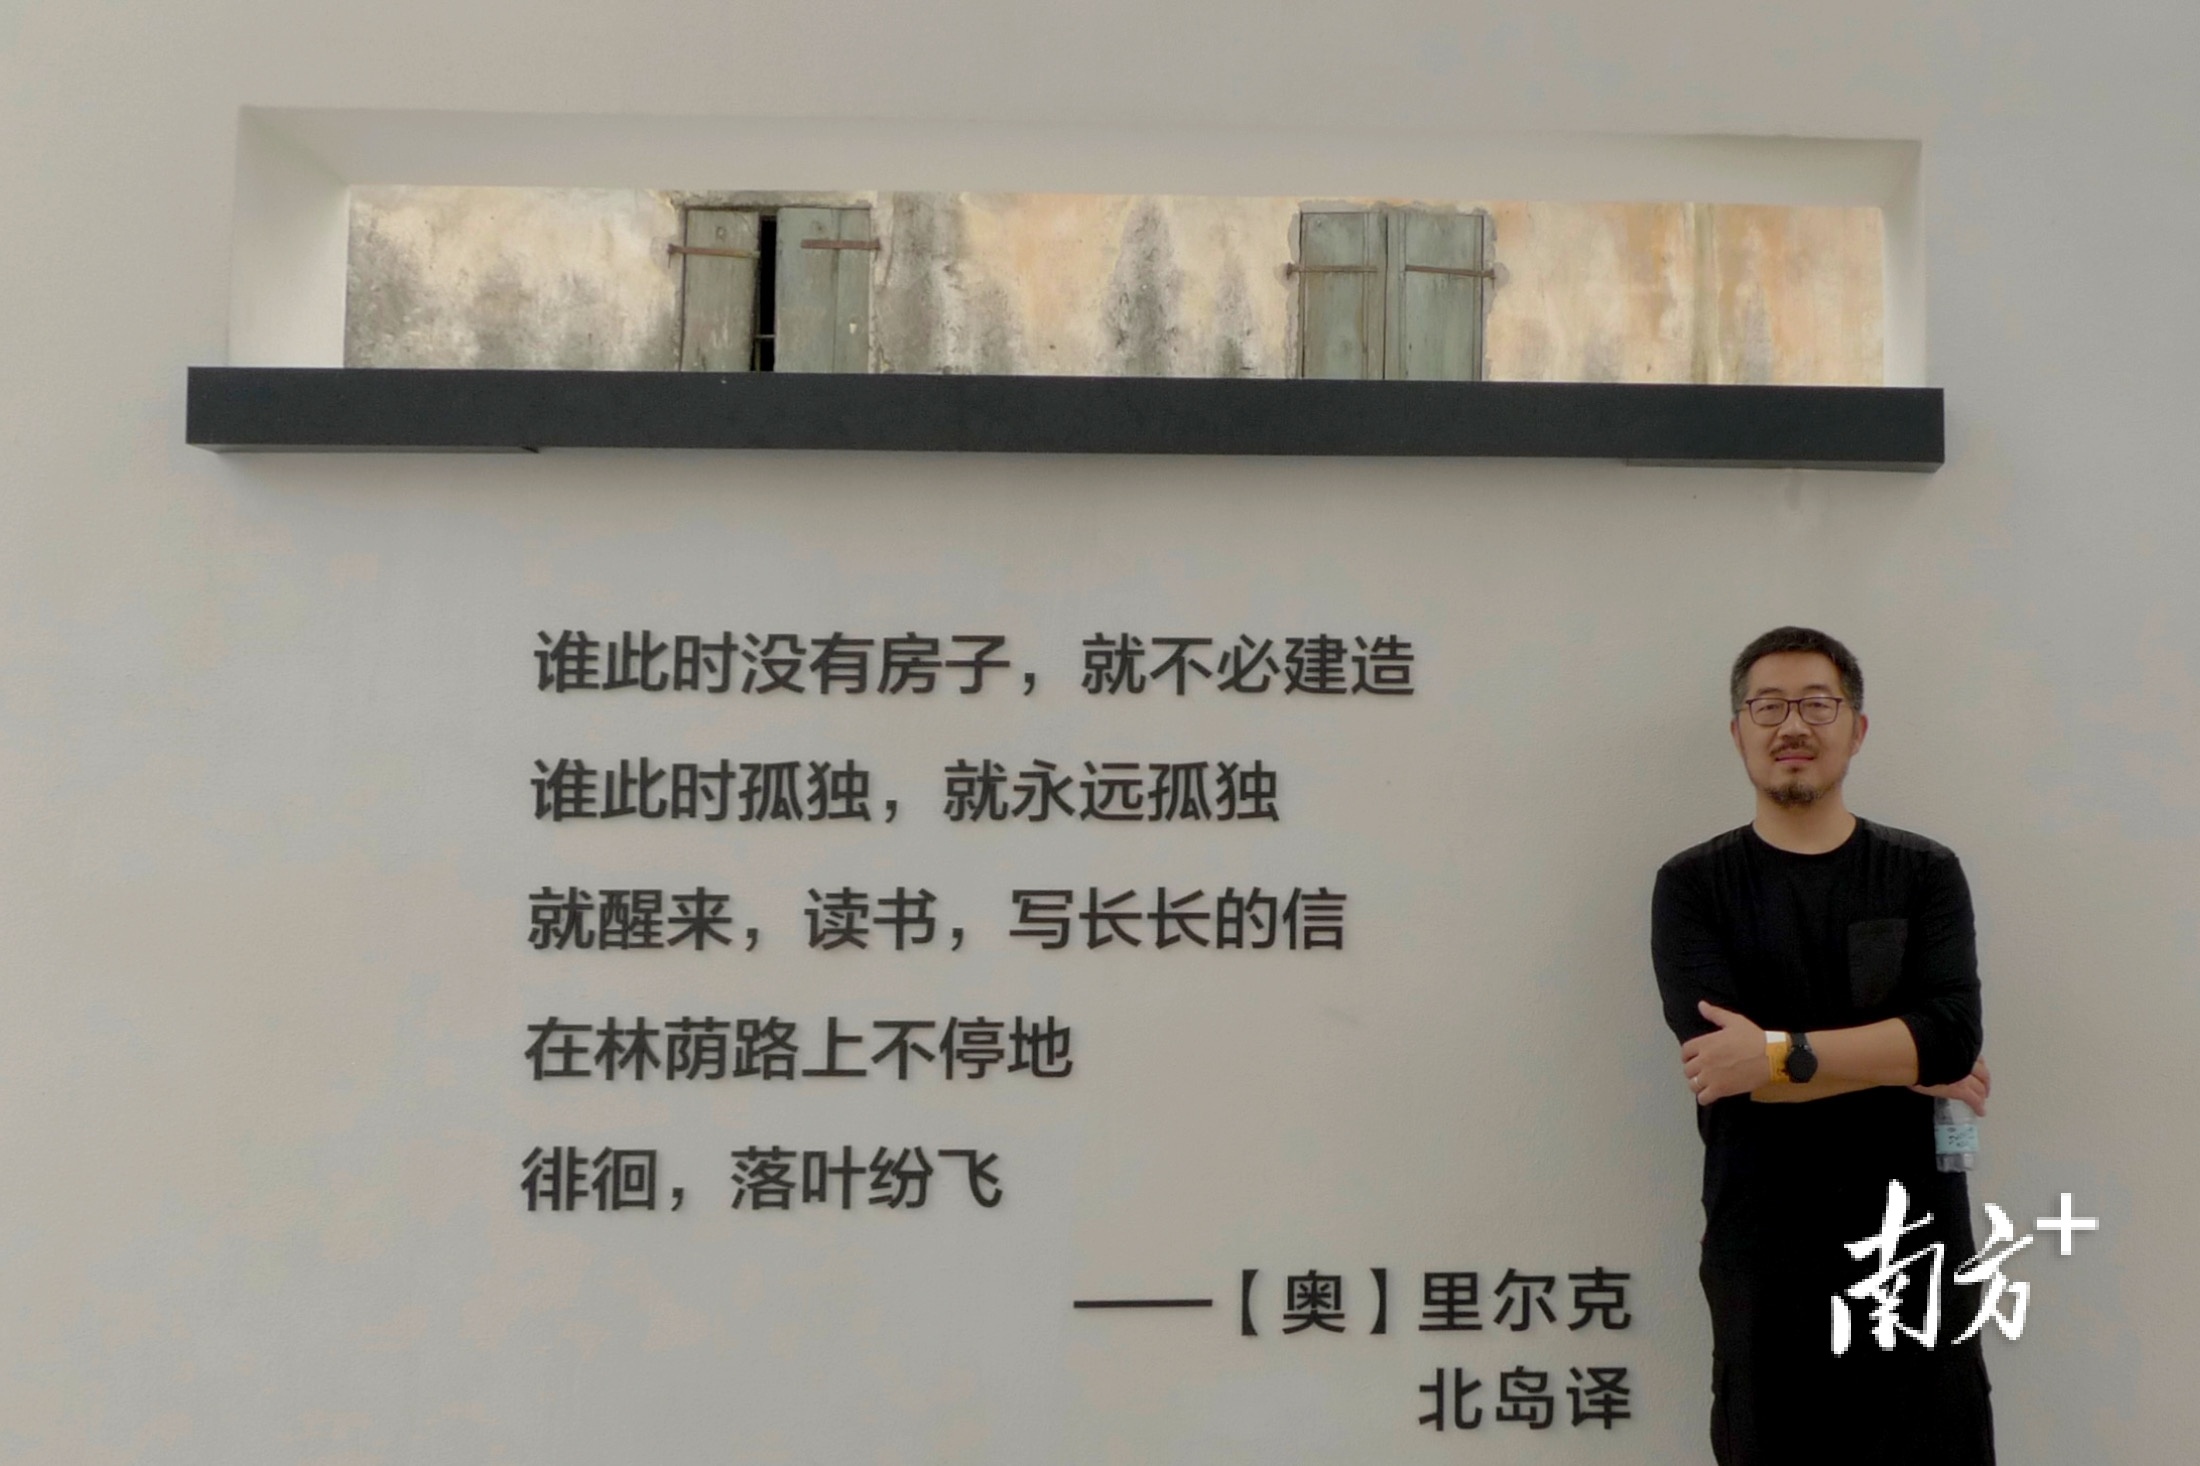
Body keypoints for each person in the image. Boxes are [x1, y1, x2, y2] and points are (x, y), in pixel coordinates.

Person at [1651, 627, 1997, 1465]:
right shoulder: (1693, 886)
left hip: (1914, 1245)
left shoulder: (1922, 873)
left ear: (1857, 728)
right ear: (1738, 731)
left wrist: (1778, 1053)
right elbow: (1722, 1067)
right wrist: (1897, 1057)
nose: (1792, 726)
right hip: (1765, 1251)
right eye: (1768, 707)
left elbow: (1951, 1038)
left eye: (1817, 704)